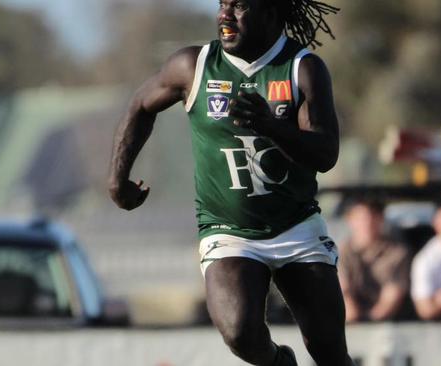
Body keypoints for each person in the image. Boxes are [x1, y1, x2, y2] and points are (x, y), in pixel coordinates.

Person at [108, 0, 354, 365]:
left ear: (271, 11)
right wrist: (118, 179)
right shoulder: (193, 65)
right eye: (222, 4)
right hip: (228, 230)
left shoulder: (303, 68)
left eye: (238, 6)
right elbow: (141, 106)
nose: (224, 15)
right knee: (239, 331)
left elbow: (325, 153)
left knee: (329, 351)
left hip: (297, 227)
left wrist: (270, 126)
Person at [338, 200, 411, 322]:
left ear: (381, 219)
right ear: (350, 220)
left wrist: (370, 323)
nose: (367, 223)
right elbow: (343, 292)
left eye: (372, 217)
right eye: (361, 219)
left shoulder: (397, 253)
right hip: (349, 321)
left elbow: (392, 296)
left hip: (390, 323)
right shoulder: (339, 252)